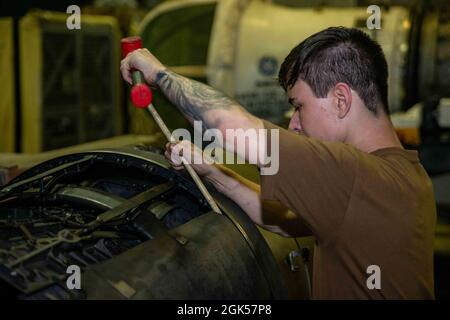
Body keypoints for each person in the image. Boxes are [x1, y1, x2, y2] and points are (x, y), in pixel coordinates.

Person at [120, 27, 436, 299]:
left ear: (341, 99)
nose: (294, 124)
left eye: (299, 106)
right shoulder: (403, 176)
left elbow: (232, 127)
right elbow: (281, 219)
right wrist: (210, 170)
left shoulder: (358, 176)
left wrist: (159, 74)